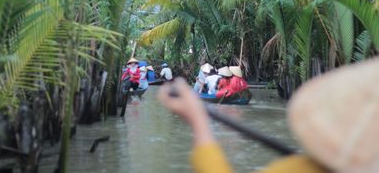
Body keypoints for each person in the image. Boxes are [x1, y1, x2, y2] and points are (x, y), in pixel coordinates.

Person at [158, 58, 379, 173]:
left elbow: (216, 92)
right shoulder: (232, 81)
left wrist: (199, 122)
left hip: (222, 97)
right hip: (227, 96)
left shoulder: (305, 168)